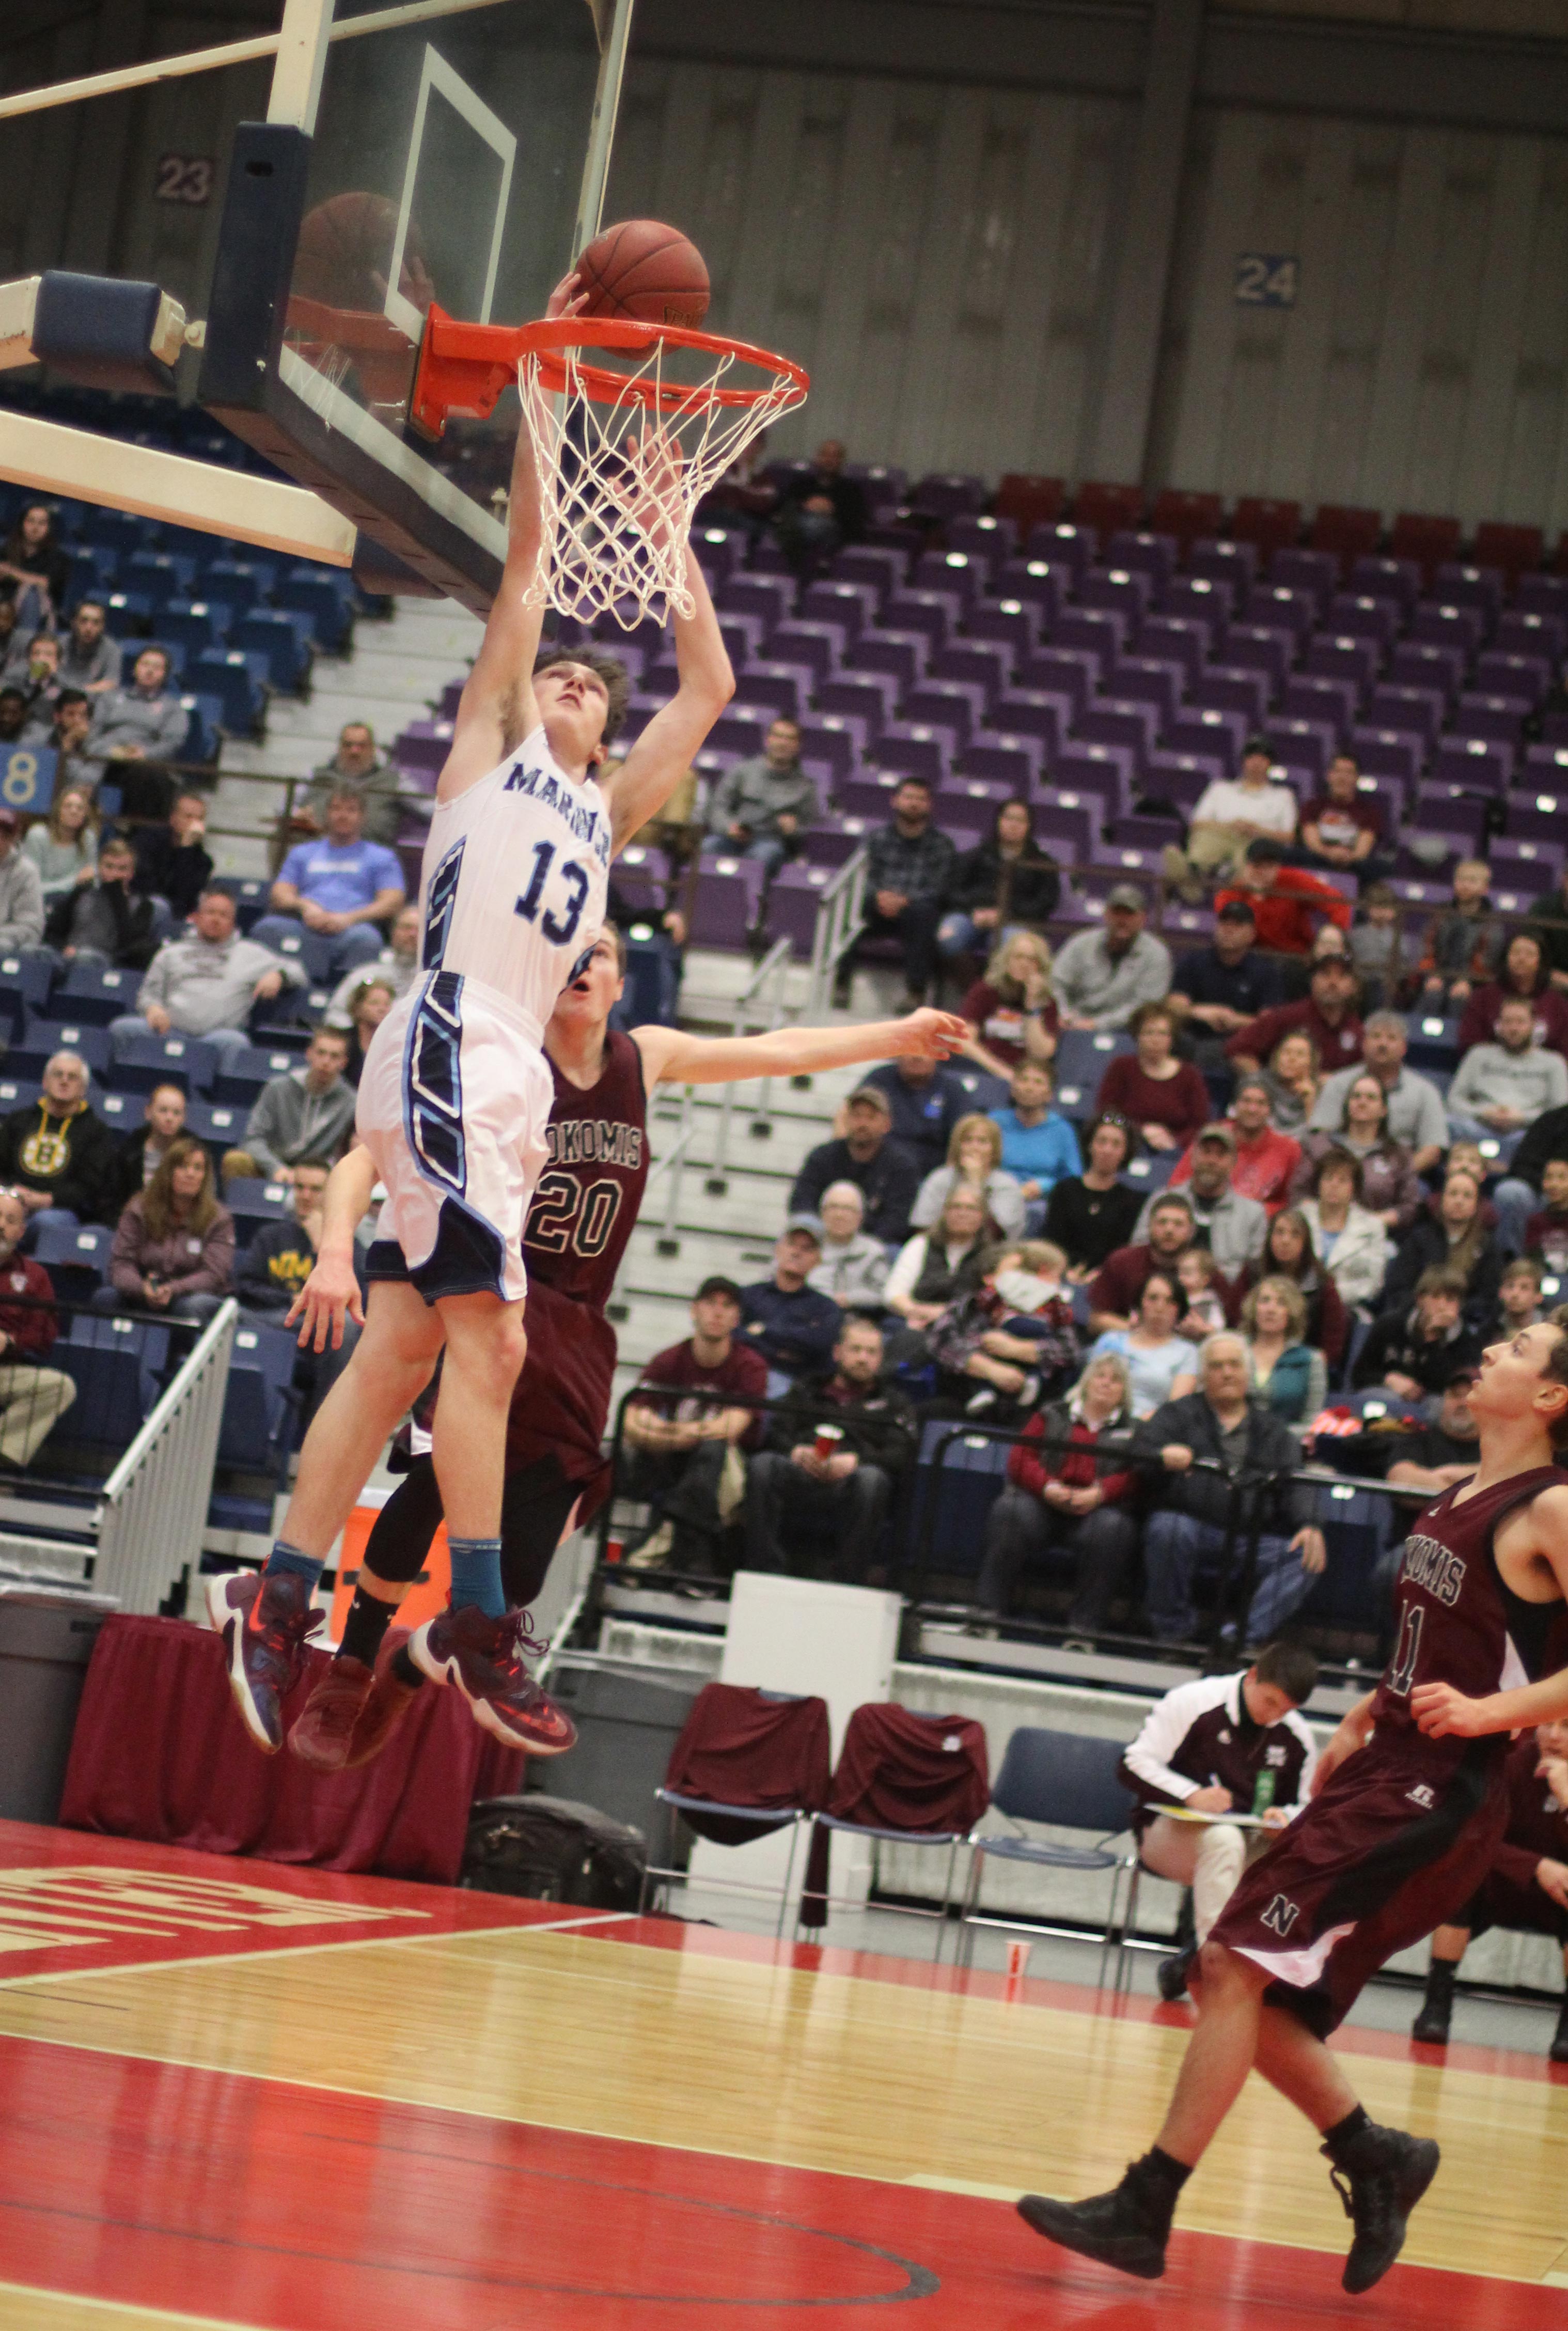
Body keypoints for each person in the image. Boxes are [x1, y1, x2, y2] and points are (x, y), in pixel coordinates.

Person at [209, 287, 742, 1758]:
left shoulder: (606, 812)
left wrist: (669, 527)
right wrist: (545, 388)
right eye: (558, 673)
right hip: (455, 1033)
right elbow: (523, 565)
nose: (572, 680)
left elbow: (708, 684)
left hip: (500, 1086)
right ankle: (480, 1626)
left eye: (591, 685)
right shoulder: (488, 764)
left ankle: (280, 1595)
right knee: (489, 1350)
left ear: (604, 729)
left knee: (401, 1349)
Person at [284, 951, 966, 1764]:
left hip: (581, 1326)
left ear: (619, 983)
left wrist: (900, 1034)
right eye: (570, 949)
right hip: (494, 1302)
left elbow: (780, 1049)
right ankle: (352, 1664)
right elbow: (367, 1155)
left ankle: (427, 1653)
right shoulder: (502, 1060)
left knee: (525, 1565)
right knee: (437, 1482)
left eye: (600, 951)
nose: (583, 961)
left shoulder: (646, 1057)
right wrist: (335, 1249)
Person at [1025, 1311, 1568, 2293]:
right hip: (1389, 1761)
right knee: (1243, 1985)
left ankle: (1149, 2206)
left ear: (1549, 1397)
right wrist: (1365, 1713)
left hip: (1441, 1786)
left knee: (1229, 1963)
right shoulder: (1460, 1491)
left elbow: (1507, 1678)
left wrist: (1492, 1713)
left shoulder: (1554, 1506)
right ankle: (1376, 2156)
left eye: (1519, 1349)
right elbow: (1444, 1637)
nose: (1493, 1349)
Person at [1121, 1643, 1319, 2002]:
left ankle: (1222, 1969)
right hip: (1167, 1836)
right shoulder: (1193, 1702)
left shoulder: (1296, 1735)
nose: (1274, 1716)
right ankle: (1218, 1974)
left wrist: (1285, 1818)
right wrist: (1190, 1794)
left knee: (1300, 1860)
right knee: (1224, 1840)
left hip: (1248, 1841)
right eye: (1270, 1702)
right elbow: (1132, 1763)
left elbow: (1308, 1806)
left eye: (1286, 1710)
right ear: (1253, 1676)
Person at [1130, 1332, 1327, 1646]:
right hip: (1189, 1524)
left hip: (1249, 1537)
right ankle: (1173, 1634)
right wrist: (1161, 1456)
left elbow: (1297, 1480)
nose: (1227, 1373)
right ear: (1203, 1375)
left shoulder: (1273, 1429)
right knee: (1168, 1529)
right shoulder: (1177, 1414)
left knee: (1305, 1555)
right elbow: (1139, 1452)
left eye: (1235, 1365)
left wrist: (1310, 1524)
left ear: (1248, 1373)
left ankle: (1237, 1641)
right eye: (1217, 1366)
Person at [1409, 1721, 1568, 2057]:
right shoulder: (1509, 1764)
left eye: (1567, 1727)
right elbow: (1472, 1834)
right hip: (1500, 1884)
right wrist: (1537, 1867)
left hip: (1560, 1895)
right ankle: (1436, 2005)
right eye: (1548, 1724)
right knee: (1458, 1874)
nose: (1554, 1736)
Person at [974, 1351, 1140, 1634]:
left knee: (1114, 1528)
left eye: (1116, 1380)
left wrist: (1100, 1494)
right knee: (1010, 1509)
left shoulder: (1135, 1430)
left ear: (1124, 1391)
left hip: (1096, 1512)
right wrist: (1048, 1487)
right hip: (1042, 1504)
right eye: (1100, 1376)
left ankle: (1085, 1627)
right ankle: (987, 1612)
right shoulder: (1051, 1414)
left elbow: (1136, 1475)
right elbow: (1020, 1458)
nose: (1106, 1383)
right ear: (1086, 1382)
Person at [744, 1315, 915, 1578]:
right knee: (763, 1465)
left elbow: (901, 1453)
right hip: (800, 1472)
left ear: (881, 1358)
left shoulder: (894, 1403)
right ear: (837, 1353)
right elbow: (776, 1432)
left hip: (851, 1481)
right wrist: (796, 1451)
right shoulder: (807, 1389)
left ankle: (848, 1578)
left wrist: (857, 1461)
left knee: (872, 1480)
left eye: (871, 1352)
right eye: (855, 1349)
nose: (863, 1358)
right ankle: (762, 1570)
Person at [621, 1277, 767, 1575]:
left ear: (737, 1318)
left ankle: (656, 1545)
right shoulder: (670, 1359)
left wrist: (666, 1431)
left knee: (714, 1452)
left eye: (727, 1306)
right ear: (694, 1310)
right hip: (674, 1462)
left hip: (729, 1468)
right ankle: (689, 1563)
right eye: (710, 1303)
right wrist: (680, 1437)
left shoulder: (750, 1365)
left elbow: (730, 1429)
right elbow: (631, 1421)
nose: (718, 1312)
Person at [112, 885, 305, 1073]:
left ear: (233, 922)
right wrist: (153, 1009)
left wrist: (279, 975)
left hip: (218, 1038)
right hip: (168, 1031)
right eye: (210, 912)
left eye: (224, 915)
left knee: (236, 1042)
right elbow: (147, 995)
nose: (216, 920)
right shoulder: (171, 953)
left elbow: (299, 972)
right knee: (122, 1028)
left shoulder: (251, 954)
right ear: (197, 917)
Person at [254, 787, 406, 981]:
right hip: (304, 924)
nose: (343, 815)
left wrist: (348, 918)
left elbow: (393, 901)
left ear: (363, 817)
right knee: (267, 928)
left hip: (352, 929)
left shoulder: (382, 857)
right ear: (326, 814)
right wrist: (305, 906)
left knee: (368, 940)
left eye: (351, 810)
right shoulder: (302, 853)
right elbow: (280, 893)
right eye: (336, 809)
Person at [103, 1135, 233, 1324]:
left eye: (198, 1168)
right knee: (106, 1298)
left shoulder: (218, 1218)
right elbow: (121, 1263)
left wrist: (173, 1289)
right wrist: (142, 1288)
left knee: (189, 1308)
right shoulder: (139, 1209)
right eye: (183, 1167)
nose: (190, 1174)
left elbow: (214, 1275)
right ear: (168, 1171)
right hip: (143, 1291)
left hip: (190, 1296)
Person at [855, 775, 958, 1008]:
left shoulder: (942, 844)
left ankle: (916, 992)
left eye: (920, 799)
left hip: (915, 911)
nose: (914, 803)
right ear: (895, 800)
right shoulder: (876, 838)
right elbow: (861, 874)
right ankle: (839, 983)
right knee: (853, 905)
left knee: (925, 913)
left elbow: (941, 886)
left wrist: (904, 900)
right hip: (878, 907)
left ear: (929, 805)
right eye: (909, 797)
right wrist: (879, 895)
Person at [1308, 1009, 1447, 1177]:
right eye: (1376, 1036)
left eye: (1391, 1038)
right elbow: (1320, 1137)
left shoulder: (1425, 1092)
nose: (1383, 1044)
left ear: (1404, 1048)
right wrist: (1344, 1175)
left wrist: (1393, 1177)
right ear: (1364, 1043)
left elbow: (1432, 1151)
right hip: (1339, 1172)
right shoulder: (1338, 1084)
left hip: (1399, 1174)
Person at [221, 1024, 357, 1186]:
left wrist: (311, 1175)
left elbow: (346, 1155)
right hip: (273, 1163)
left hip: (318, 1175)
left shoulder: (351, 1103)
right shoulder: (277, 1088)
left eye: (334, 1057)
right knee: (235, 1160)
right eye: (321, 1053)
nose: (326, 1062)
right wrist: (275, 1168)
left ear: (344, 1063)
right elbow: (252, 1139)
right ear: (309, 1054)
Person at [1162, 738, 1299, 895]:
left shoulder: (1283, 796)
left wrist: (1256, 830)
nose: (1256, 763)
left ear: (1270, 764)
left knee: (1254, 856)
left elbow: (1289, 836)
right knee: (1206, 837)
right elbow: (1197, 822)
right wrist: (1230, 826)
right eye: (1251, 758)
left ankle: (1231, 888)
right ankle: (1192, 875)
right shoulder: (1220, 788)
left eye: (1262, 759)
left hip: (1257, 841)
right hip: (1223, 834)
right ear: (1243, 762)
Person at [1291, 1070, 1422, 1234]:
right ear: (1347, 1105)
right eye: (1356, 1097)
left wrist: (1371, 1223)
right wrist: (1325, 1221)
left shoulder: (1399, 1155)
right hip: (1319, 1230)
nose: (1362, 1102)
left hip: (1375, 1233)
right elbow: (1298, 1193)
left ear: (1384, 1110)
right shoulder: (1320, 1145)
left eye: (1371, 1098)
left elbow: (1409, 1207)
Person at [789, 1084, 922, 1244]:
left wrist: (858, 1244)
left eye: (871, 1117)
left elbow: (897, 1220)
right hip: (823, 1239)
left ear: (887, 1124)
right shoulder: (822, 1156)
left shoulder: (902, 1166)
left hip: (874, 1245)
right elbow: (802, 1202)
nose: (862, 1124)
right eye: (856, 1116)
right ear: (846, 1120)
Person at [0, 1187, 75, 1470]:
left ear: (21, 1232)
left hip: (6, 1371)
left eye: (10, 1221)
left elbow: (43, 1335)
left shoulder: (35, 1276)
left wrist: (9, 1341)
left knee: (60, 1387)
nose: (1, 1226)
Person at [1134, 1123, 1268, 1280]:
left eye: (1221, 1154)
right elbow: (1138, 1251)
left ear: (1233, 1162)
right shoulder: (1162, 1200)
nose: (1212, 1160)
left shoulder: (1253, 1214)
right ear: (1193, 1157)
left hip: (1226, 1291)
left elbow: (1256, 1273)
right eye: (1206, 1152)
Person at [937, 797, 1061, 965]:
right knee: (949, 937)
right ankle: (970, 981)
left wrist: (1005, 914)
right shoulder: (976, 855)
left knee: (1010, 945)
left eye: (1020, 820)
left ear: (1029, 826)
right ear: (999, 821)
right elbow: (952, 891)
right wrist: (975, 910)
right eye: (1009, 818)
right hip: (972, 916)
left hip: (1016, 921)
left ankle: (997, 981)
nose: (1013, 825)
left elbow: (1045, 903)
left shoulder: (1042, 863)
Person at [0, 1052, 115, 1231]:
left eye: (72, 1077)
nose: (64, 1081)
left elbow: (89, 1186)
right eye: (58, 1074)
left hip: (60, 1210)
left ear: (83, 1089)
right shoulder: (19, 1120)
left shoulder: (96, 1132)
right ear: (45, 1082)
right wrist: (12, 1193)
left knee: (44, 1223)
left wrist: (46, 1199)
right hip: (11, 1199)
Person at [1383, 1165, 1502, 1330]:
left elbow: (1488, 1297)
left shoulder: (1487, 1245)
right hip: (1416, 1319)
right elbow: (1399, 1287)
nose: (1459, 1201)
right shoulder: (1419, 1239)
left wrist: (1453, 1313)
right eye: (1453, 1194)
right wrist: (1426, 1310)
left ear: (1477, 1204)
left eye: (1467, 1196)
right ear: (1441, 1199)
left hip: (1465, 1324)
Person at [1448, 992, 1568, 1152]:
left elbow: (1560, 1112)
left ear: (1534, 1025)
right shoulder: (1478, 1055)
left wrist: (1524, 1117)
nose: (1514, 1029)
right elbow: (1454, 1100)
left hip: (1529, 1132)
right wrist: (1483, 1113)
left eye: (1521, 1022)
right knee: (1447, 1122)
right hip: (1478, 1127)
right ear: (1498, 1025)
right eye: (1508, 1022)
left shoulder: (1553, 1062)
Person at [701, 714, 817, 875]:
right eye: (778, 736)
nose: (783, 743)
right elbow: (718, 806)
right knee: (709, 846)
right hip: (733, 835)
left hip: (769, 841)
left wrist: (793, 831)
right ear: (768, 740)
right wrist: (729, 826)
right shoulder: (742, 771)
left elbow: (810, 829)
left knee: (765, 855)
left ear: (798, 746)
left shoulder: (805, 787)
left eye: (790, 739)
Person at [1238, 1204, 1349, 1370]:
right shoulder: (1252, 1273)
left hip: (1303, 1365)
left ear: (1306, 1243)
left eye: (1295, 1234)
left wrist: (1310, 1366)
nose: (1285, 1241)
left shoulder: (1322, 1283)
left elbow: (1332, 1343)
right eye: (1279, 1233)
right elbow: (1235, 1322)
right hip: (1251, 1361)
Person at [1168, 898, 1283, 1053]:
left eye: (1237, 925)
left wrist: (1236, 1020)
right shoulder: (1193, 962)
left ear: (1252, 935)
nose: (1229, 930)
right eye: (1224, 924)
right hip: (1194, 1039)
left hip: (1243, 1044)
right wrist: (1199, 1012)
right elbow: (1173, 1007)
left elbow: (1270, 1022)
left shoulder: (1266, 972)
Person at [1094, 1001, 1210, 1153]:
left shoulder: (1190, 1075)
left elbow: (1199, 1126)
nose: (1155, 1040)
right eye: (1149, 1033)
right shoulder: (1121, 1067)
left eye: (1162, 1034)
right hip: (1126, 1146)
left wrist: (1174, 1140)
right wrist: (1139, 1130)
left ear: (1172, 1038)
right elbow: (1107, 1114)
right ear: (1137, 1036)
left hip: (1175, 1150)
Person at [1353, 1266, 1484, 1401]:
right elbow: (1359, 1375)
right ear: (1420, 1299)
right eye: (1435, 1297)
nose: (1442, 1306)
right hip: (1387, 1393)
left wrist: (1434, 1341)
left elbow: (1447, 1388)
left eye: (1450, 1299)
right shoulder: (1390, 1325)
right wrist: (1388, 1379)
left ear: (1460, 1305)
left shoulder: (1467, 1342)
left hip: (1434, 1402)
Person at [1173, 1075, 1299, 1214]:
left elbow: (1289, 1200)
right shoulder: (1212, 1138)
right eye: (1246, 1101)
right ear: (1234, 1106)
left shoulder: (1288, 1149)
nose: (1252, 1109)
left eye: (1261, 1103)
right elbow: (1176, 1185)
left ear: (1270, 1109)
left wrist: (1257, 1213)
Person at [1226, 951, 1364, 1078]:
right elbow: (1238, 1050)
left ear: (1354, 986)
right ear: (1312, 981)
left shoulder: (1356, 1028)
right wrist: (1265, 1087)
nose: (1333, 982)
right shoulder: (1288, 1016)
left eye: (1342, 976)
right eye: (1325, 974)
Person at [883, 1182, 994, 1338]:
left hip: (967, 1327)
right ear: (944, 1212)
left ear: (983, 1216)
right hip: (915, 1322)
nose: (962, 1214)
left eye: (971, 1208)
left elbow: (991, 1302)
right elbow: (894, 1293)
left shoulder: (991, 1254)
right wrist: (916, 1311)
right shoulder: (921, 1244)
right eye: (956, 1207)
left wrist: (945, 1314)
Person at [88, 644, 189, 816]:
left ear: (165, 675)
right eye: (145, 664)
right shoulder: (110, 698)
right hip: (105, 757)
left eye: (157, 667)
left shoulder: (173, 708)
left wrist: (145, 754)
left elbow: (173, 743)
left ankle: (129, 825)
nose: (149, 671)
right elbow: (93, 733)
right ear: (135, 669)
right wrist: (109, 751)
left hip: (142, 764)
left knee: (146, 774)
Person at [1053, 885, 1171, 1031]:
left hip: (1128, 1030)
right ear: (1106, 914)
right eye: (1117, 913)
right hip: (1073, 1024)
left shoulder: (1156, 954)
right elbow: (1056, 983)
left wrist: (1096, 1024)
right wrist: (1064, 1014)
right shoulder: (1081, 944)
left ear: (1143, 918)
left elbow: (1146, 1005)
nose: (1122, 920)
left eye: (1129, 914)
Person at [1042, 1112, 1142, 1279]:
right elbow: (1052, 1240)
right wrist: (1067, 1271)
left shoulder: (1132, 1200)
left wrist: (1100, 1275)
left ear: (1125, 1152)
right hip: (1060, 1273)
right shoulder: (1064, 1190)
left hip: (1107, 1278)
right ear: (1090, 1145)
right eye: (1102, 1142)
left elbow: (1122, 1250)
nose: (1107, 1150)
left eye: (1116, 1144)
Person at [1213, 835, 1352, 956]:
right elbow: (1229, 925)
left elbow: (1339, 902)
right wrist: (1256, 897)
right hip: (1252, 958)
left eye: (1269, 866)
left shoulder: (1293, 880)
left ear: (1277, 867)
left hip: (1295, 956)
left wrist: (1335, 932)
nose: (1262, 872)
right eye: (1257, 866)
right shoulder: (1232, 893)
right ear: (1246, 866)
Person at [1086, 1190, 1201, 1336]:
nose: (1169, 1230)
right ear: (1149, 1226)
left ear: (1191, 1231)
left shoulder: (1203, 1268)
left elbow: (1224, 1327)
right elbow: (1096, 1321)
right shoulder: (1122, 1261)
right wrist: (1142, 1333)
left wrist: (1205, 1331)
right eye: (1162, 1222)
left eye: (1178, 1224)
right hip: (1129, 1341)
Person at [739, 1223, 843, 1378]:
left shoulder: (825, 1308)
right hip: (748, 1375)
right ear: (777, 1249)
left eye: (807, 1249)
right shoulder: (749, 1295)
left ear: (818, 1260)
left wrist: (764, 1331)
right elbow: (735, 1335)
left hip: (798, 1382)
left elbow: (819, 1344)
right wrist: (776, 1351)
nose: (796, 1253)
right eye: (791, 1244)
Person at [1089, 1270, 1197, 1418]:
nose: (1160, 1307)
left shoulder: (1187, 1353)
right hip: (1102, 1420)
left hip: (1152, 1426)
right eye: (1153, 1298)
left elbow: (1175, 1408)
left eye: (1170, 1301)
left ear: (1179, 1308)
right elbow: (1087, 1388)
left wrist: (1138, 1424)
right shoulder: (1110, 1341)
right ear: (1141, 1302)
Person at [44, 832, 159, 969]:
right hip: (67, 958)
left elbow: (132, 948)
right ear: (99, 867)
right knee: (33, 952)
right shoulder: (82, 894)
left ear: (132, 872)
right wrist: (64, 948)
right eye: (109, 867)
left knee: (85, 957)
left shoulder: (142, 906)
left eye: (122, 869)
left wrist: (117, 896)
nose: (114, 874)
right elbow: (53, 933)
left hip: (106, 964)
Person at [1297, 1146, 1391, 1313]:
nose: (1334, 1185)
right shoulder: (1300, 1217)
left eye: (1343, 1180)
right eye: (1328, 1178)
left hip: (1350, 1308)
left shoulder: (1373, 1227)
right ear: (1318, 1184)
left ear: (1354, 1188)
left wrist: (1330, 1297)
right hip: (1298, 1303)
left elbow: (1373, 1283)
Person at [957, 928, 1059, 1078]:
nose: (1024, 964)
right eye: (1018, 957)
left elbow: (1041, 1054)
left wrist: (1033, 1007)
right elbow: (964, 1040)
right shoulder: (986, 991)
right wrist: (1002, 1072)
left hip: (1025, 1077)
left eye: (1032, 960)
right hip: (984, 1070)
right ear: (1007, 960)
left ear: (1041, 966)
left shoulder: (1047, 1002)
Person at [989, 1058, 1079, 1224]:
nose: (1029, 1087)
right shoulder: (994, 1123)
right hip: (995, 1195)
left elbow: (1074, 1179)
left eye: (1038, 1082)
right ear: (1013, 1089)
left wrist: (1045, 1186)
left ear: (1050, 1094)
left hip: (1040, 1202)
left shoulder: (1062, 1130)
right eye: (1024, 1080)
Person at [910, 1113, 1025, 1240]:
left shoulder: (1006, 1185)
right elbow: (922, 1227)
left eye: (982, 1141)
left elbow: (997, 1235)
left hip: (991, 1250)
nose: (974, 1148)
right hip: (941, 1246)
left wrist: (974, 1181)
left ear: (994, 1149)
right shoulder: (940, 1178)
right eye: (968, 1141)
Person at [291, 721, 407, 845]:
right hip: (317, 850)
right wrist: (300, 817)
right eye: (348, 745)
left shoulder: (395, 781)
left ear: (373, 749)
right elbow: (290, 812)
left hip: (369, 851)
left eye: (362, 746)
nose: (354, 752)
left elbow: (424, 808)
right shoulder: (315, 776)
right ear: (339, 748)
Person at [1459, 929, 1568, 1062]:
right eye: (1516, 953)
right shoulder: (1483, 997)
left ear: (1541, 961)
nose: (1522, 959)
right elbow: (1469, 1043)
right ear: (1506, 958)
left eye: (1530, 954)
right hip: (1492, 1068)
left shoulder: (1557, 1003)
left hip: (1540, 1071)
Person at [860, 1050, 970, 1171]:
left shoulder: (953, 1090)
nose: (917, 1057)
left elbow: (965, 1138)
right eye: (911, 1050)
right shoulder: (879, 1080)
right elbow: (852, 1116)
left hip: (932, 1171)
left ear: (938, 1053)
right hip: (880, 1168)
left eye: (925, 1051)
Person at [1418, 857, 1503, 1005]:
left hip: (1473, 982)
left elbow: (1487, 959)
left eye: (1472, 881)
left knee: (1459, 1000)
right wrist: (1432, 975)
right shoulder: (1441, 913)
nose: (1465, 885)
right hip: (1437, 975)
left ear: (1485, 888)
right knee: (1432, 997)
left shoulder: (1491, 922)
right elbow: (1428, 946)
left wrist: (1467, 981)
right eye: (1461, 880)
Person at [772, 438, 868, 568]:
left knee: (812, 525)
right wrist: (805, 506)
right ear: (818, 458)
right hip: (800, 525)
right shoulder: (801, 484)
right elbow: (783, 506)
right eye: (825, 455)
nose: (829, 460)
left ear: (842, 460)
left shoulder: (850, 490)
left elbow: (856, 521)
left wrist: (832, 510)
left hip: (833, 533)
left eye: (835, 456)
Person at [1293, 752, 1387, 883]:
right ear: (1329, 776)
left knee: (1379, 868)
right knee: (1295, 856)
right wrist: (1329, 853)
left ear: (1357, 778)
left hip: (1352, 863)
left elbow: (1362, 850)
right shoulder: (1313, 806)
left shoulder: (1369, 811)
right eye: (1337, 771)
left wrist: (1347, 857)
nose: (1342, 778)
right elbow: (1312, 842)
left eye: (1348, 773)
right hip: (1318, 859)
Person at [1240, 1275, 1320, 1425]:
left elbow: (1312, 1423)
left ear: (1292, 1312)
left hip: (1289, 1437)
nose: (1271, 1309)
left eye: (1281, 1303)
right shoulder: (1236, 1352)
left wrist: (1278, 1436)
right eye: (1265, 1301)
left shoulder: (1311, 1360)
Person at [324, 900, 421, 1019]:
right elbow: (335, 1016)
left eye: (419, 930)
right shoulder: (363, 975)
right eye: (406, 927)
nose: (412, 934)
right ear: (393, 932)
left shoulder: (433, 982)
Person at [104, 1082, 187, 1215]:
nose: (170, 1118)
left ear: (184, 1118)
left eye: (177, 1113)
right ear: (148, 1113)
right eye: (163, 1111)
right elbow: (112, 1201)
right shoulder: (129, 1153)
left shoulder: (193, 1155)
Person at [133, 790, 215, 921]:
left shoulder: (203, 862)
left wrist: (186, 850)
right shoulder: (148, 843)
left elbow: (185, 899)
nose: (194, 824)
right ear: (173, 819)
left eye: (199, 819)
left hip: (178, 918)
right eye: (188, 817)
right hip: (145, 908)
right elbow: (149, 887)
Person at [808, 1182, 890, 1308]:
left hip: (852, 1313)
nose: (839, 1215)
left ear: (860, 1217)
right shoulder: (807, 1245)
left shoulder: (873, 1251)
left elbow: (882, 1293)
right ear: (822, 1213)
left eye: (848, 1209)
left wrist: (849, 1299)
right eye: (833, 1207)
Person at [22, 781, 99, 906]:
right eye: (68, 806)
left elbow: (92, 878)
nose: (74, 811)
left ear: (85, 815)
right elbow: (31, 887)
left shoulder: (88, 838)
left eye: (80, 808)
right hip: (39, 901)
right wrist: (74, 881)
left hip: (75, 902)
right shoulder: (38, 835)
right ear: (58, 811)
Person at [0, 503, 69, 629]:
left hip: (40, 617)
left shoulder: (58, 557)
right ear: (22, 524)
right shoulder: (6, 550)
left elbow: (44, 583)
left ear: (49, 528)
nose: (35, 528)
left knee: (32, 592)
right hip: (5, 610)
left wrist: (10, 572)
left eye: (41, 523)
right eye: (31, 521)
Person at [335, 974, 397, 1086]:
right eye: (374, 1003)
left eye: (387, 1004)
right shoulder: (342, 1041)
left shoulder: (396, 1045)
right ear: (357, 1007)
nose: (382, 1009)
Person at [0, 807, 46, 953]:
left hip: (6, 944)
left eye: (4, 836)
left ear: (13, 839)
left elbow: (31, 927)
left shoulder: (26, 871)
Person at [1261, 1027, 1320, 1135]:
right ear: (1276, 1056)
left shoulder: (1321, 1093)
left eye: (1300, 1054)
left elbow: (1319, 1141)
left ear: (1312, 1062)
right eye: (1287, 1052)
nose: (1292, 1059)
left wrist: (1310, 1103)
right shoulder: (1259, 1085)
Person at [57, 598, 120, 696]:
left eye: (96, 623)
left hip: (91, 700)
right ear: (74, 622)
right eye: (84, 621)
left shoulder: (112, 650)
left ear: (103, 626)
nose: (89, 628)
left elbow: (110, 684)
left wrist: (77, 693)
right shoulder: (59, 644)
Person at [1175, 1246, 1228, 1337]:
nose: (1181, 1278)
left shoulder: (1210, 1302)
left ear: (1205, 1280)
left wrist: (1203, 1328)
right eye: (1180, 1273)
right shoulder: (1176, 1299)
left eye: (1187, 1273)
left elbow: (1219, 1328)